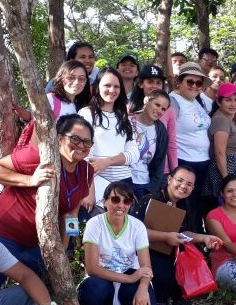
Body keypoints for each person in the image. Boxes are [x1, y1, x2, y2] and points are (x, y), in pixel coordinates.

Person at [0, 115, 94, 295]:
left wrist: (65, 248)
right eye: (75, 139)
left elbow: (71, 214)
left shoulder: (87, 172)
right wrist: (30, 180)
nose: (81, 145)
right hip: (3, 235)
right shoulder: (39, 156)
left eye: (87, 142)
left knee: (36, 290)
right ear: (60, 138)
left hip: (37, 244)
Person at [136, 166, 223, 305]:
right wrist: (165, 237)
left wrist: (204, 238)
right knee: (165, 282)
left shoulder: (185, 204)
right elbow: (134, 232)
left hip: (171, 252)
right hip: (145, 252)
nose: (183, 186)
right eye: (180, 180)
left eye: (189, 184)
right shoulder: (150, 199)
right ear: (170, 179)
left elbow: (183, 233)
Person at [79, 182, 154, 305]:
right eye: (115, 200)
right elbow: (92, 268)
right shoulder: (94, 224)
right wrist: (131, 279)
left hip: (128, 271)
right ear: (104, 201)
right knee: (91, 293)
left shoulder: (137, 226)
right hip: (102, 274)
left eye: (126, 201)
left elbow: (146, 266)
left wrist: (143, 287)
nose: (121, 205)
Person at [79, 68, 140, 210]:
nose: (112, 90)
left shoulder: (124, 117)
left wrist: (108, 161)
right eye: (107, 85)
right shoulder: (86, 114)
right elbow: (84, 156)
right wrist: (89, 190)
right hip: (95, 183)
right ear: (97, 86)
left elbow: (134, 154)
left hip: (124, 182)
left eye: (116, 86)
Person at [168, 63, 213, 229]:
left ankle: (196, 246)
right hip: (184, 162)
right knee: (183, 208)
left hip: (202, 162)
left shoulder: (197, 101)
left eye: (198, 83)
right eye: (190, 82)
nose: (194, 86)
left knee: (196, 208)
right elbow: (167, 133)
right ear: (179, 81)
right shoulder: (173, 101)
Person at [203, 82, 236, 201]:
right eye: (228, 100)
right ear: (219, 102)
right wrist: (227, 180)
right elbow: (220, 152)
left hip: (232, 171)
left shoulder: (228, 118)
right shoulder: (220, 120)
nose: (233, 104)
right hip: (225, 173)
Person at [16, 60, 88, 122]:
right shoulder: (51, 99)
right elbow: (33, 116)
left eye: (81, 79)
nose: (76, 82)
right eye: (71, 77)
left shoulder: (77, 105)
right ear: (61, 79)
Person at [131, 90, 170, 199]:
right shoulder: (127, 120)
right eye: (157, 105)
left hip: (144, 185)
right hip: (123, 181)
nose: (159, 111)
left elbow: (160, 162)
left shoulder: (161, 130)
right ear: (146, 100)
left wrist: (151, 189)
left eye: (163, 109)